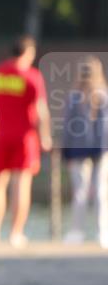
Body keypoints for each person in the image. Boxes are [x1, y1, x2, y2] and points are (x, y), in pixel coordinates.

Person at [0, 35, 53, 247]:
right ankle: (15, 233)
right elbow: (41, 110)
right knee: (21, 184)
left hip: (0, 135)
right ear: (28, 52)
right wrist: (45, 136)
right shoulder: (32, 76)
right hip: (25, 137)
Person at [61, 55, 108, 248]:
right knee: (98, 192)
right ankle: (100, 232)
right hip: (100, 149)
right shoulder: (103, 95)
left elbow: (68, 127)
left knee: (82, 192)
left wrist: (67, 150)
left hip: (82, 150)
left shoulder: (75, 97)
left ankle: (79, 232)